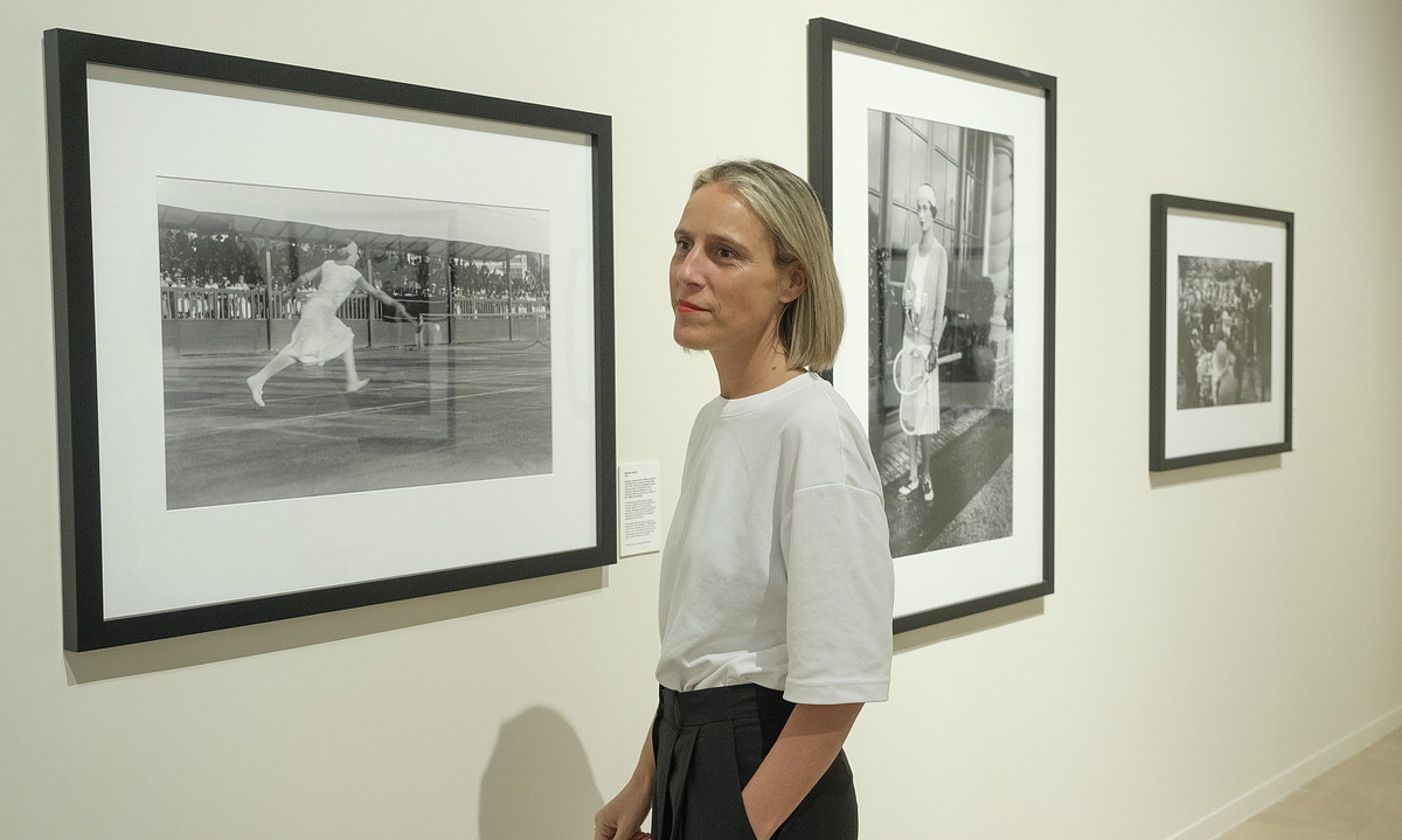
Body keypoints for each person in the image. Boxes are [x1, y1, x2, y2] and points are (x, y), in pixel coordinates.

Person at [594, 160, 894, 840]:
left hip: (767, 788)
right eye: (682, 244)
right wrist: (642, 786)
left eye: (724, 253)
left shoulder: (813, 428)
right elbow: (700, 649)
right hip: (695, 761)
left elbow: (840, 681)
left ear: (793, 279)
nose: (688, 272)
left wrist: (733, 827)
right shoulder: (716, 420)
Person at [245, 241, 409, 407]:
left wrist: (290, 291)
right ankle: (258, 379)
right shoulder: (353, 273)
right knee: (299, 351)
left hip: (318, 309)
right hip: (321, 312)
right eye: (356, 254)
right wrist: (395, 303)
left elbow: (303, 278)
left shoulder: (328, 264)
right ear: (350, 255)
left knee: (346, 336)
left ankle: (352, 380)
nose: (358, 257)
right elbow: (377, 293)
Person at [896, 183, 949, 502]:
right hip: (909, 338)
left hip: (927, 344)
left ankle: (927, 475)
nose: (921, 215)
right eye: (917, 208)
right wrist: (907, 305)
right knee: (910, 412)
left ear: (934, 212)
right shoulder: (913, 251)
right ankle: (913, 476)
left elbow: (941, 303)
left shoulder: (940, 254)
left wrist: (936, 347)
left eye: (926, 208)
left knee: (926, 414)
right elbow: (906, 290)